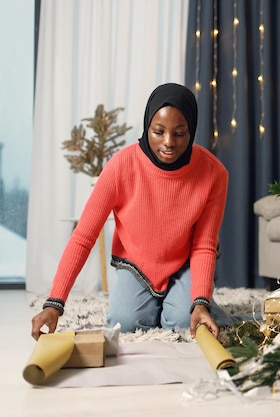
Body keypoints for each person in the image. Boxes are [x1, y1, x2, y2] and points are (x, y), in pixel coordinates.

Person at [31, 83, 235, 341]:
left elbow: (204, 245)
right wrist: (54, 303)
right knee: (124, 323)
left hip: (184, 264)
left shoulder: (214, 173)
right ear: (147, 126)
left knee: (184, 322)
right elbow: (84, 237)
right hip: (137, 264)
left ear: (191, 130)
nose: (168, 143)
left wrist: (201, 301)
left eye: (180, 133)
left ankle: (196, 302)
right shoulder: (120, 166)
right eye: (158, 132)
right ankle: (171, 302)